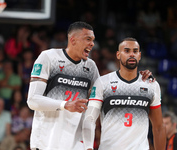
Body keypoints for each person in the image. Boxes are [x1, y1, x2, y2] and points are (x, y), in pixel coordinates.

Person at [27, 22, 154, 150]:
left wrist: (138, 77)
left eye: (93, 40)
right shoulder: (48, 57)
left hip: (75, 144)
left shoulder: (90, 67)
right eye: (88, 39)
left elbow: (108, 93)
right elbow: (32, 100)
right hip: (45, 142)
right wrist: (65, 104)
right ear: (73, 40)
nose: (92, 44)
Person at [82, 37, 166, 150]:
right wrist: (88, 147)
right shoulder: (103, 82)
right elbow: (90, 119)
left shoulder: (151, 85)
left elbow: (159, 127)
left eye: (135, 51)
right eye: (127, 51)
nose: (132, 54)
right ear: (118, 55)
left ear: (140, 56)